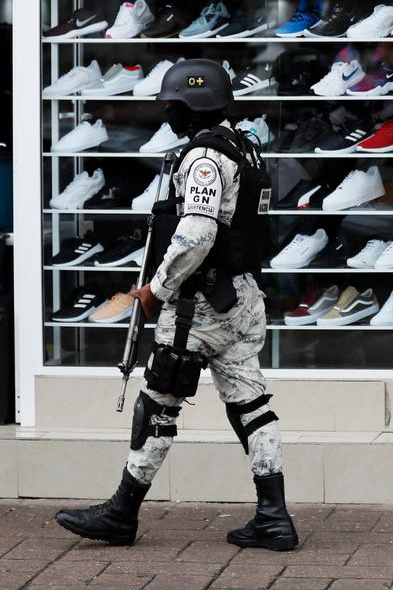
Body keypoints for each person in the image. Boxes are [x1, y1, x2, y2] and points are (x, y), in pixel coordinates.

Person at [55, 59, 297, 552]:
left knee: (159, 402)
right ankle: (274, 517)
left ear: (188, 107)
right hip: (241, 296)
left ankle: (122, 513)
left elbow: (197, 232)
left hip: (199, 306)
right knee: (251, 406)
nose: (167, 113)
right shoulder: (245, 147)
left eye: (172, 105)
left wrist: (154, 291)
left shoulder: (205, 158)